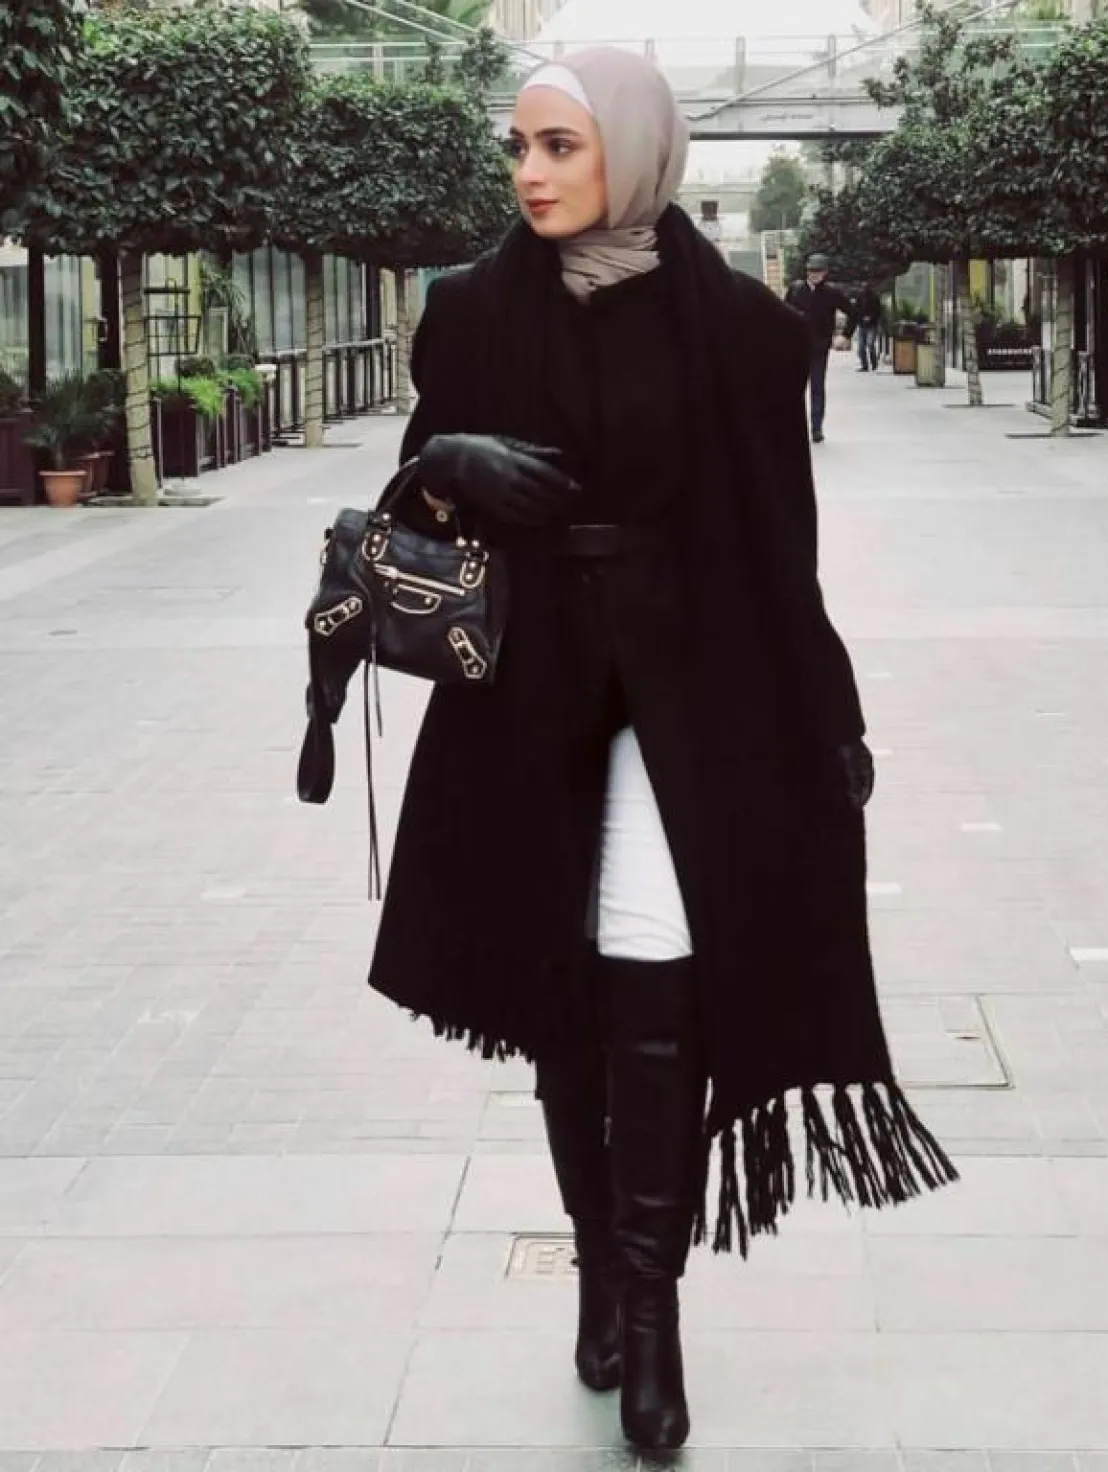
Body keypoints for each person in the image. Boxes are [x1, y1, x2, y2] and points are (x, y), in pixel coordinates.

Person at [368, 48, 958, 1454]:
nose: (531, 173)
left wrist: (832, 715)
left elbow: (781, 546)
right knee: (560, 1002)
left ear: (632, 152)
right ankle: (599, 1263)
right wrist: (443, 465)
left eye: (560, 146)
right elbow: (408, 512)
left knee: (653, 989)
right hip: (525, 698)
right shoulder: (468, 310)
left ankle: (651, 1309)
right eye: (519, 147)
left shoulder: (740, 328)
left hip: (694, 697)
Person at [784, 253, 859, 442]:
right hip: (796, 347)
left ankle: (816, 428)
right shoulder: (796, 290)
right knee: (794, 388)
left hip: (819, 346)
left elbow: (853, 312)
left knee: (817, 387)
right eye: (811, 270)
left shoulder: (831, 293)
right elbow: (783, 314)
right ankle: (793, 427)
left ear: (825, 272)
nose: (814, 274)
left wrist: (845, 335)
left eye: (818, 271)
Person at [857, 281, 884, 372]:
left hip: (872, 325)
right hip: (862, 325)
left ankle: (873, 362)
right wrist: (861, 318)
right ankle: (865, 365)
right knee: (861, 347)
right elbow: (856, 310)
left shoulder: (874, 298)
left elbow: (878, 311)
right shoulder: (860, 298)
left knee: (870, 344)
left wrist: (871, 318)